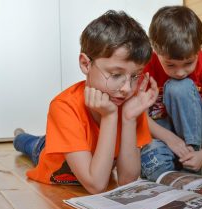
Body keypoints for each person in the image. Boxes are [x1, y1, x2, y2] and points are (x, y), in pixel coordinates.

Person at [13, 10, 158, 194]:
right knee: (30, 144)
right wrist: (110, 116)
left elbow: (127, 180)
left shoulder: (129, 105)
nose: (127, 89)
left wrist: (128, 119)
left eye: (135, 76)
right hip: (51, 152)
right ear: (85, 64)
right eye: (116, 75)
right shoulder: (63, 106)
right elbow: (96, 185)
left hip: (75, 142)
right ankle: (20, 135)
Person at [140, 6, 202, 182]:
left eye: (188, 63)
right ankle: (179, 167)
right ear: (155, 50)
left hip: (194, 133)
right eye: (170, 65)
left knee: (178, 86)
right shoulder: (145, 64)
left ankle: (191, 159)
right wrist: (170, 139)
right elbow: (138, 115)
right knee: (155, 170)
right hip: (160, 132)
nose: (180, 72)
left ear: (198, 49)